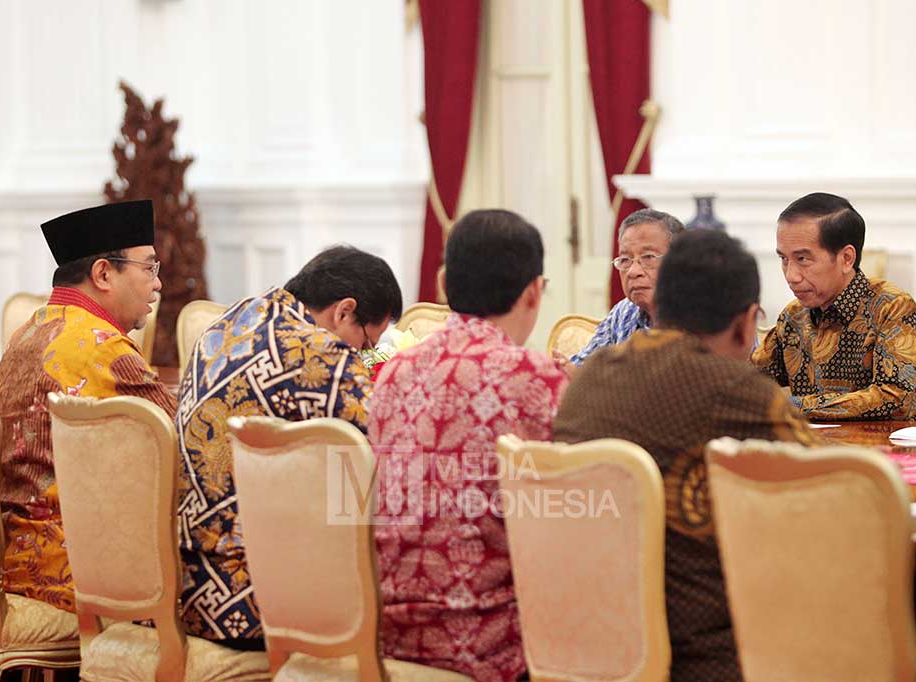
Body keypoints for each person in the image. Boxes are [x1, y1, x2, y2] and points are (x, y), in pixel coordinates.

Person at [554, 229, 821, 682]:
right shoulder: (738, 392)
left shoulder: (590, 377)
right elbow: (830, 497)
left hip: (584, 643)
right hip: (702, 658)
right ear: (745, 323)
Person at [369, 209, 568, 682]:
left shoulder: (394, 372)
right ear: (534, 292)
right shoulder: (534, 377)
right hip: (490, 642)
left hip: (388, 633)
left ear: (443, 285)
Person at [175, 245, 402, 648]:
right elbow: (391, 449)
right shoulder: (319, 351)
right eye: (368, 342)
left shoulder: (232, 319)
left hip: (184, 584)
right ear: (344, 312)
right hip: (252, 598)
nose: (365, 355)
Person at [0, 199, 177, 612]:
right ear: (103, 273)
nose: (157, 284)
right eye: (149, 268)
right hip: (79, 568)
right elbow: (183, 447)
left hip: (10, 560)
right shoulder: (105, 347)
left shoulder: (28, 332)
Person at [753, 192, 916, 421]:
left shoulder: (891, 306)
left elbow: (894, 397)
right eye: (784, 259)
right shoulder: (794, 316)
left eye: (803, 260)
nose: (791, 276)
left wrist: (789, 406)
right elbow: (750, 378)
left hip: (891, 451)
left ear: (847, 258)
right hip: (815, 450)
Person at [556, 208, 684, 370]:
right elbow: (585, 367)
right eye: (625, 260)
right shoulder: (624, 311)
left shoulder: (701, 319)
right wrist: (569, 373)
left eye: (648, 257)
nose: (633, 271)